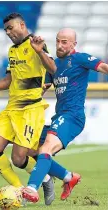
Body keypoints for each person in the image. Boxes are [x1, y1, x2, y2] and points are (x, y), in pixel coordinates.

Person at [0, 13, 57, 205]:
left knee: (19, 159)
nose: (8, 32)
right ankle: (19, 191)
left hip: (30, 109)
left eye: (11, 28)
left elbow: (53, 69)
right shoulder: (12, 51)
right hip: (11, 108)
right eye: (6, 30)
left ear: (22, 25)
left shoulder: (37, 44)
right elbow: (9, 80)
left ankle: (45, 178)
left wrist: (40, 51)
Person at [22, 28, 108, 203]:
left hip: (73, 116)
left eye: (64, 42)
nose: (59, 45)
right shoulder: (53, 65)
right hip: (59, 116)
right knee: (30, 151)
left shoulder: (80, 58)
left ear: (74, 44)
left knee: (45, 149)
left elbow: (104, 67)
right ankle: (69, 177)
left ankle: (31, 188)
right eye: (57, 41)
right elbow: (42, 88)